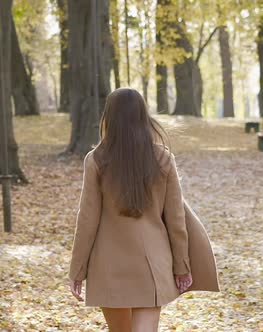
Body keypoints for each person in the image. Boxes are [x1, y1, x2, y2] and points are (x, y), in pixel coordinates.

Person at [68, 88, 192, 332]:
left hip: (109, 265)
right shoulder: (163, 158)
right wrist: (182, 266)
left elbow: (87, 220)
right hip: (151, 263)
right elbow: (176, 220)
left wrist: (77, 270)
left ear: (108, 118)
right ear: (143, 116)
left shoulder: (97, 160)